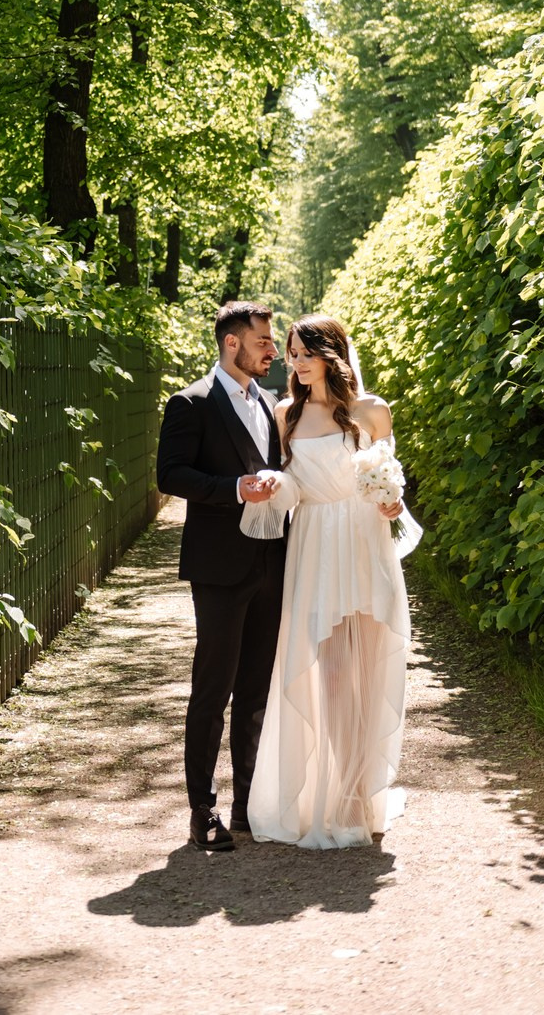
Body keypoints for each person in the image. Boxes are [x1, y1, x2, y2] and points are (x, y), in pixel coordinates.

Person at [247, 313, 409, 849]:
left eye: (303, 353)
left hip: (363, 543)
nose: (294, 362)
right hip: (315, 546)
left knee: (367, 668)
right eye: (291, 353)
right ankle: (342, 795)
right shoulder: (285, 413)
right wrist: (277, 486)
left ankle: (363, 792)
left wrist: (392, 503)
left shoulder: (371, 411)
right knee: (334, 676)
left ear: (330, 354)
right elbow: (294, 488)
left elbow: (389, 480)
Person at [156, 301, 286, 852]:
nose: (273, 351)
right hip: (219, 565)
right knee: (213, 690)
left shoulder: (273, 403)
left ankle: (247, 804)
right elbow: (171, 474)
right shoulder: (191, 403)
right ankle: (201, 810)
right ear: (232, 343)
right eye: (263, 342)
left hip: (273, 562)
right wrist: (235, 489)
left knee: (256, 690)